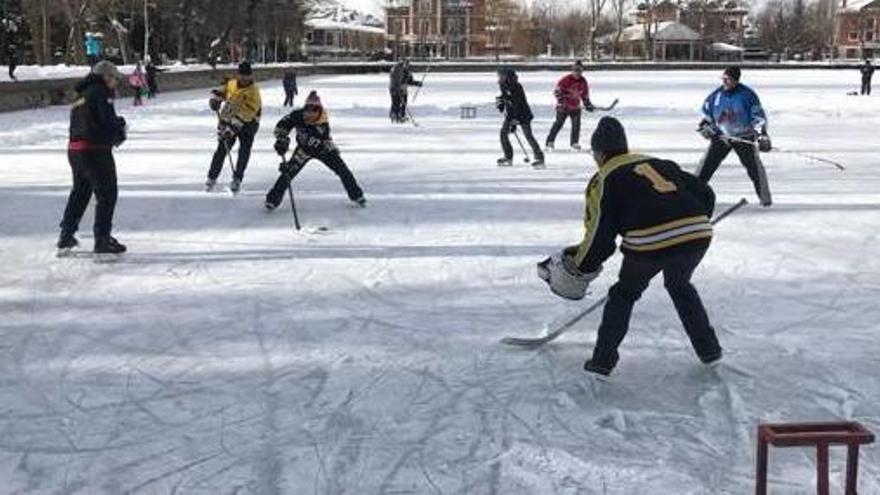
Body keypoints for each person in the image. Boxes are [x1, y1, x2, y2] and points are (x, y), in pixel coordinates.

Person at [538, 116, 719, 377]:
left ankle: (602, 362)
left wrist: (581, 265)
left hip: (649, 244)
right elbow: (705, 192)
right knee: (680, 286)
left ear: (599, 153)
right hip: (697, 235)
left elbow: (600, 235)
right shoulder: (658, 163)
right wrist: (695, 220)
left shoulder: (603, 179)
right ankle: (709, 350)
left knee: (623, 294)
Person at [57, 61, 128, 255]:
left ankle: (66, 235)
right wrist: (120, 129)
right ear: (106, 76)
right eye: (114, 78)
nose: (116, 82)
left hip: (75, 150)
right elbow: (106, 120)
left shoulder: (81, 95)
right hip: (94, 150)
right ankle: (102, 239)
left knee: (80, 192)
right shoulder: (101, 92)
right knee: (107, 194)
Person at [265, 90, 366, 210]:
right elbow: (282, 125)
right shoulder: (297, 115)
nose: (309, 114)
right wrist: (282, 140)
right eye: (307, 110)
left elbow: (319, 144)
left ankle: (356, 195)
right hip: (303, 149)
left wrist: (290, 164)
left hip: (323, 149)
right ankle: (272, 200)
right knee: (287, 174)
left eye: (314, 111)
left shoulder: (322, 126)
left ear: (319, 111)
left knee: (343, 170)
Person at [696, 66, 772, 207]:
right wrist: (705, 127)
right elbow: (706, 115)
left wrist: (762, 135)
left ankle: (765, 200)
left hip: (743, 138)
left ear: (736, 80)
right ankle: (692, 196)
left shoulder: (747, 95)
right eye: (723, 79)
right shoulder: (715, 96)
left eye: (728, 79)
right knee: (705, 167)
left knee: (755, 169)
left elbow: (758, 117)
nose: (725, 82)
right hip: (721, 138)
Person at [206, 61, 262, 193]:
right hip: (229, 118)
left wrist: (232, 129)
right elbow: (222, 91)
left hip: (250, 123)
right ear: (238, 75)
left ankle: (237, 178)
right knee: (221, 149)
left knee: (244, 151)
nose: (244, 78)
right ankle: (211, 177)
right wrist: (215, 99)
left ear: (251, 76)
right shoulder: (232, 83)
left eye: (247, 75)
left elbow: (248, 113)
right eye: (241, 75)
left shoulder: (254, 92)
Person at [495, 68, 544, 168]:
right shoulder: (503, 85)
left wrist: (514, 121)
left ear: (507, 76)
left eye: (501, 76)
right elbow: (506, 97)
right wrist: (500, 102)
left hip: (523, 114)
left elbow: (518, 104)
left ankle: (539, 158)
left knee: (528, 136)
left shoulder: (517, 87)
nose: (499, 78)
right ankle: (508, 157)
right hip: (511, 114)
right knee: (503, 133)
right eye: (499, 76)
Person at [545, 60, 595, 151]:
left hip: (575, 107)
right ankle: (549, 142)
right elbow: (557, 92)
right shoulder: (565, 80)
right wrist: (562, 101)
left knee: (576, 125)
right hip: (563, 107)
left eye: (579, 70)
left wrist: (588, 104)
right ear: (572, 70)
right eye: (575, 70)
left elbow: (584, 95)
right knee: (558, 124)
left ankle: (574, 143)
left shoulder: (583, 81)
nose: (577, 73)